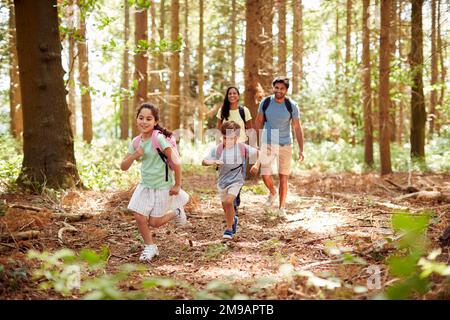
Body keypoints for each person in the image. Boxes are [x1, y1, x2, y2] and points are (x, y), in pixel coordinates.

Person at [120, 103, 189, 262]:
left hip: (162, 186)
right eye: (141, 118)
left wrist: (177, 185)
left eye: (148, 119)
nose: (144, 122)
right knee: (139, 216)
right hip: (145, 185)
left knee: (155, 222)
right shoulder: (136, 141)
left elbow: (176, 161)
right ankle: (150, 246)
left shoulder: (158, 138)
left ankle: (177, 211)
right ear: (137, 119)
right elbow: (123, 166)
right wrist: (135, 154)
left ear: (155, 122)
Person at [253, 77, 304, 216]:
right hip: (268, 142)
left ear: (286, 90)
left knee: (283, 177)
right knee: (265, 174)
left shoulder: (291, 105)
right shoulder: (266, 102)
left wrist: (301, 149)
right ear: (273, 88)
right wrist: (256, 143)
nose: (279, 91)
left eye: (282, 88)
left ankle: (281, 208)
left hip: (285, 144)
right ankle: (273, 192)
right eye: (276, 88)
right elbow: (258, 122)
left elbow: (297, 128)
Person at [202, 121, 258, 240]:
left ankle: (228, 229)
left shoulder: (242, 148)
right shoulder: (218, 149)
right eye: (226, 138)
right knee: (226, 207)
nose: (228, 141)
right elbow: (204, 161)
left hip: (237, 180)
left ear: (236, 137)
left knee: (228, 202)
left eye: (232, 138)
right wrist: (212, 162)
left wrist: (256, 165)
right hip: (222, 182)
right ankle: (233, 219)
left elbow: (260, 153)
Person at [216, 87, 254, 216]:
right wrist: (218, 148)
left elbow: (250, 129)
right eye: (230, 93)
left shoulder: (244, 111)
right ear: (227, 96)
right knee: (227, 175)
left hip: (241, 147)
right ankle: (230, 202)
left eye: (234, 93)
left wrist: (252, 144)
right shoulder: (222, 111)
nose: (232, 95)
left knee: (240, 176)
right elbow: (218, 130)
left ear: (238, 96)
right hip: (226, 148)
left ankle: (234, 203)